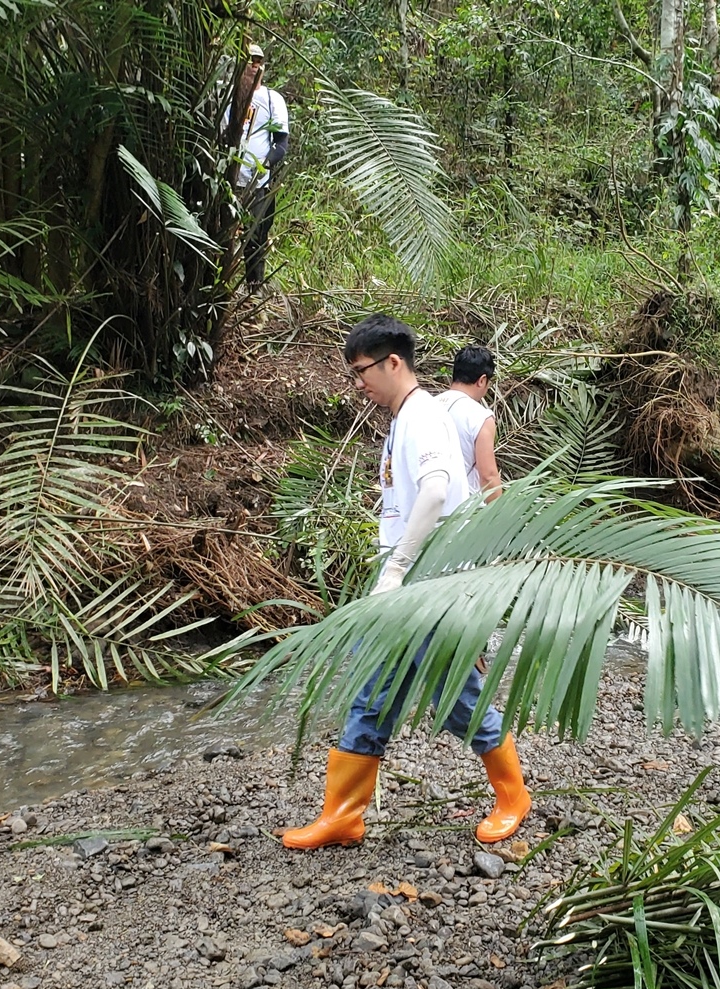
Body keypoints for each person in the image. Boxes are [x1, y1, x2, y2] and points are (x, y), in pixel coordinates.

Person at [281, 315, 533, 850]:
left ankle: (513, 796)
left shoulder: (421, 415)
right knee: (371, 692)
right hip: (406, 583)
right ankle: (344, 814)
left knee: (458, 696)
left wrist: (396, 569)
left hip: (426, 583)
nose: (357, 383)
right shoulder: (406, 417)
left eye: (361, 371)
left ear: (393, 362)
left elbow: (439, 489)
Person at [234, 43, 288, 289]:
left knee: (255, 239)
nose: (255, 65)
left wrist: (263, 166)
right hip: (228, 179)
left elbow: (280, 145)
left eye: (259, 61)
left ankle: (252, 290)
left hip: (257, 182)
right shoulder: (227, 94)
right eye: (250, 61)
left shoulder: (271, 98)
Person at [435, 344, 504, 502]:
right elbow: (487, 476)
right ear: (482, 380)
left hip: (421, 510)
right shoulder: (480, 416)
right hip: (461, 512)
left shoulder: (425, 406)